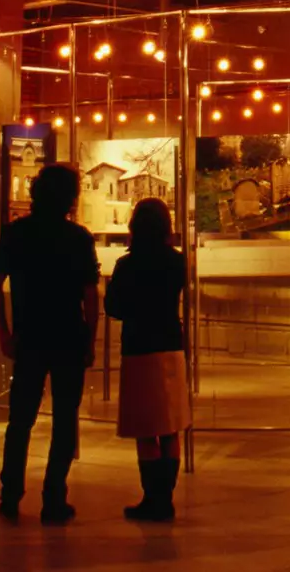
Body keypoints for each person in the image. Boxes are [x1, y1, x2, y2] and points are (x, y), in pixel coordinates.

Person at [0, 164, 100, 522]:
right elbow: (89, 295)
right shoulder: (79, 238)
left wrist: (4, 332)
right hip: (68, 335)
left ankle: (10, 493)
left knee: (21, 419)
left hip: (29, 336)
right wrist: (91, 338)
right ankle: (54, 496)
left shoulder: (15, 234)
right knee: (65, 419)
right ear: (70, 197)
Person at [104, 197, 190, 521]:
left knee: (145, 427)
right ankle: (165, 498)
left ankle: (152, 498)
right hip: (170, 342)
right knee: (170, 427)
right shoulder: (177, 262)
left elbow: (113, 307)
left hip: (139, 346)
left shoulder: (127, 265)